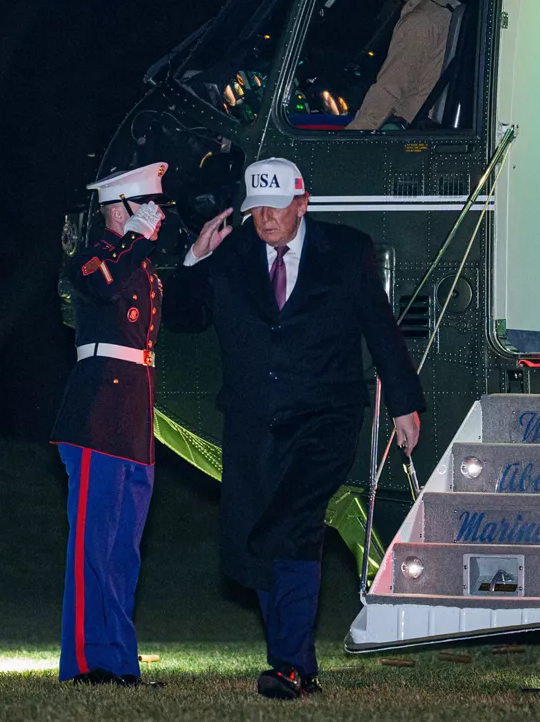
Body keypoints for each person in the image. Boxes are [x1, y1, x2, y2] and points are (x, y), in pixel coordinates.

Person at [162, 157, 425, 700]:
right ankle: (297, 665)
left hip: (325, 418)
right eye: (257, 208)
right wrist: (193, 260)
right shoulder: (231, 255)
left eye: (276, 207)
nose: (266, 219)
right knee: (260, 535)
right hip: (254, 420)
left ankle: (286, 663)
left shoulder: (347, 251)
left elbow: (380, 327)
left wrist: (404, 404)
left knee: (293, 523)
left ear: (302, 204)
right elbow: (183, 316)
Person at [50, 161, 168, 687]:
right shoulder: (93, 257)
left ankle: (120, 661)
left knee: (123, 549)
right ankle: (81, 662)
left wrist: (195, 256)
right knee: (91, 546)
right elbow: (101, 286)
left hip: (133, 419)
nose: (156, 216)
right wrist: (137, 242)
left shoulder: (141, 267)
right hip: (97, 413)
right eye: (147, 206)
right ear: (119, 208)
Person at [346, 0, 460, 130]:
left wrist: (349, 140)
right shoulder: (449, 5)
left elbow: (388, 91)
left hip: (409, 133)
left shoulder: (420, 20)